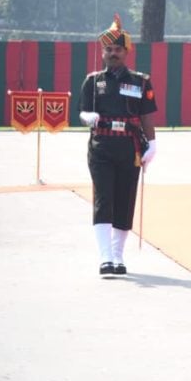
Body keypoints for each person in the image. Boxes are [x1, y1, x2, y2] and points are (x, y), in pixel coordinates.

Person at [78, 15, 158, 277]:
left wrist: (152, 144)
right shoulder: (93, 81)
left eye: (118, 50)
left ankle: (118, 255)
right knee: (104, 199)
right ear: (103, 52)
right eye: (108, 49)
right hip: (101, 146)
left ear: (126, 52)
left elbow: (146, 115)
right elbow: (83, 111)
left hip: (130, 147)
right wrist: (87, 116)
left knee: (125, 200)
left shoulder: (140, 81)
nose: (113, 54)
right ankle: (105, 258)